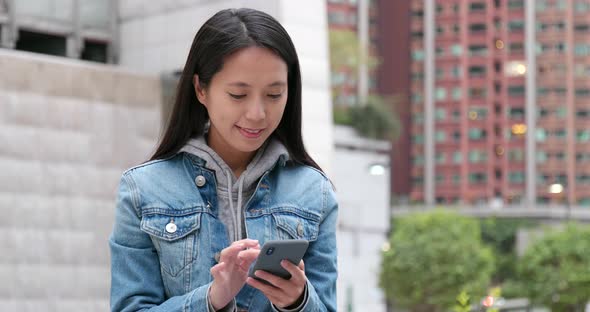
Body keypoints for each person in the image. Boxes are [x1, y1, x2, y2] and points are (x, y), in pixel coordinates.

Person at [109, 8, 338, 312]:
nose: (257, 114)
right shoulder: (143, 190)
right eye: (238, 95)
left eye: (274, 95)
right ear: (201, 89)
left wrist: (299, 301)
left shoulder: (314, 192)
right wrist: (211, 299)